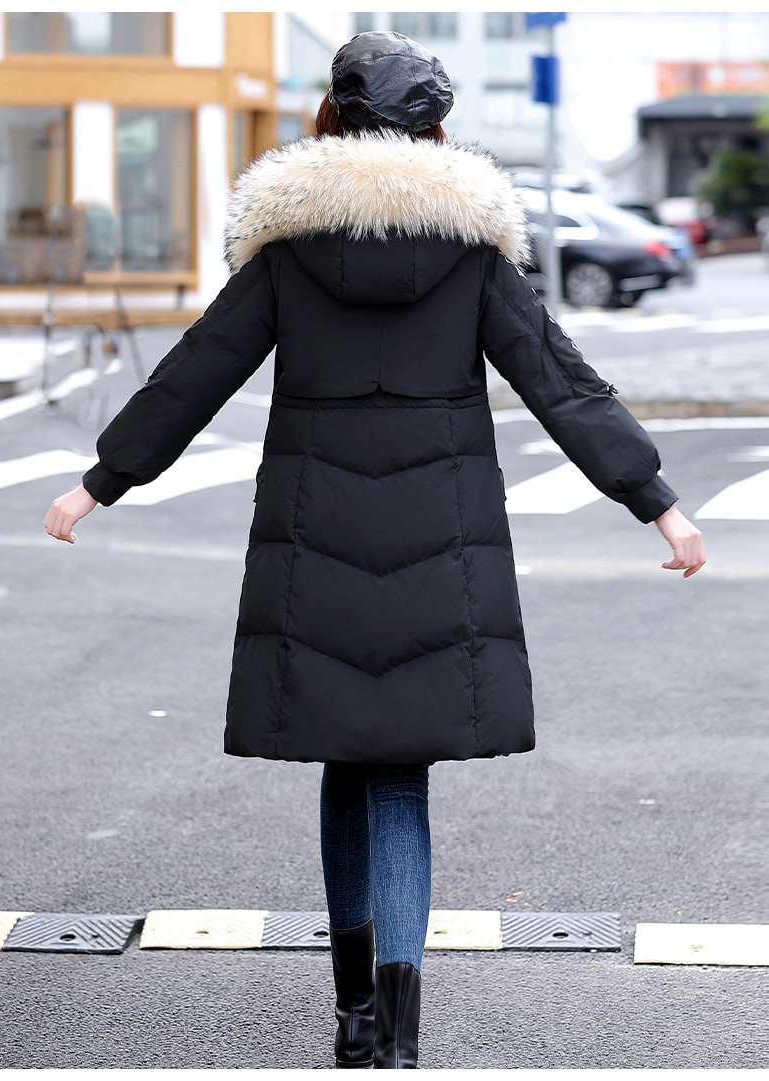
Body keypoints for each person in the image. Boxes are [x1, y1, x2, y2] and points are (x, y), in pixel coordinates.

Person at [44, 30, 706, 1070]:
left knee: (344, 762)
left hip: (314, 545)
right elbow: (560, 381)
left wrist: (101, 481)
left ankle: (354, 1012)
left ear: (332, 124)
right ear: (434, 135)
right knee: (399, 777)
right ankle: (397, 1039)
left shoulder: (287, 253)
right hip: (442, 547)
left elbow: (195, 371)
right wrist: (655, 500)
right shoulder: (472, 256)